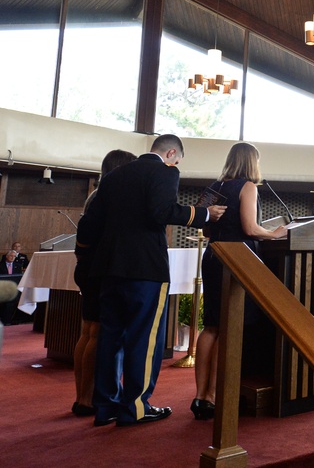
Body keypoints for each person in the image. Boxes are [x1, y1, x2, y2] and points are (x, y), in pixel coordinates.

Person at [77, 134, 226, 427]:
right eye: (178, 159)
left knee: (110, 337)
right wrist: (205, 214)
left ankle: (105, 406)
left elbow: (91, 223)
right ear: (171, 153)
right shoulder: (164, 171)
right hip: (145, 268)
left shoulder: (114, 176)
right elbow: (161, 212)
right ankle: (135, 407)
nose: (177, 163)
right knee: (144, 339)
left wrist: (87, 259)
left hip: (109, 268)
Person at [191, 142, 288, 421]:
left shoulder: (213, 187)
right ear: (251, 162)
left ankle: (201, 396)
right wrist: (276, 233)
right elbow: (250, 228)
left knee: (211, 326)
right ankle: (216, 395)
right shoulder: (248, 187)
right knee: (229, 327)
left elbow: (205, 226)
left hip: (213, 256)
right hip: (237, 260)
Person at [71, 149, 137, 418]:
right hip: (100, 270)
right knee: (96, 334)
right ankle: (87, 398)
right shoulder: (111, 198)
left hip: (87, 266)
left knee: (87, 332)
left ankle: (82, 396)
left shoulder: (95, 196)